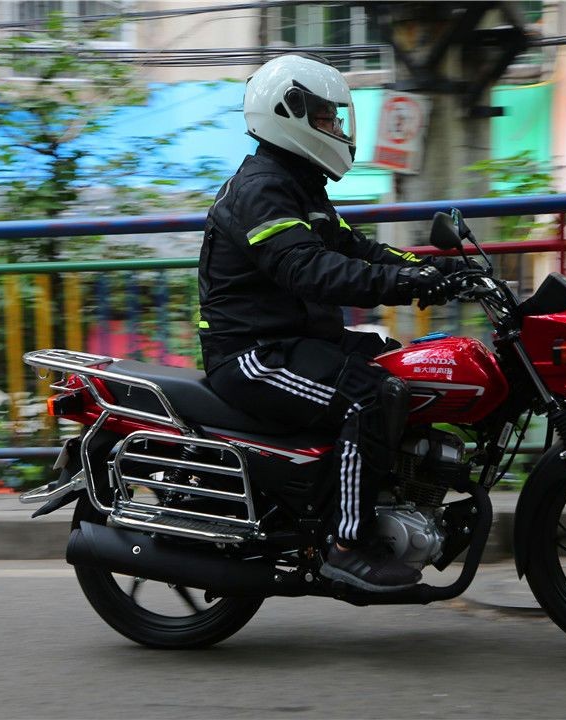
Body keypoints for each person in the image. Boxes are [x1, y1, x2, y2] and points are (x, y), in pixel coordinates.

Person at [198, 53, 465, 593]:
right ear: (288, 113)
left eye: (335, 118)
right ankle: (347, 545)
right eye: (327, 118)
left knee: (401, 367)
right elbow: (308, 270)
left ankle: (393, 498)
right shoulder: (261, 190)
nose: (337, 129)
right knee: (368, 394)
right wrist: (404, 285)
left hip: (297, 341)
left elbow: (356, 248)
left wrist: (429, 270)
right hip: (253, 354)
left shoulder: (299, 186)